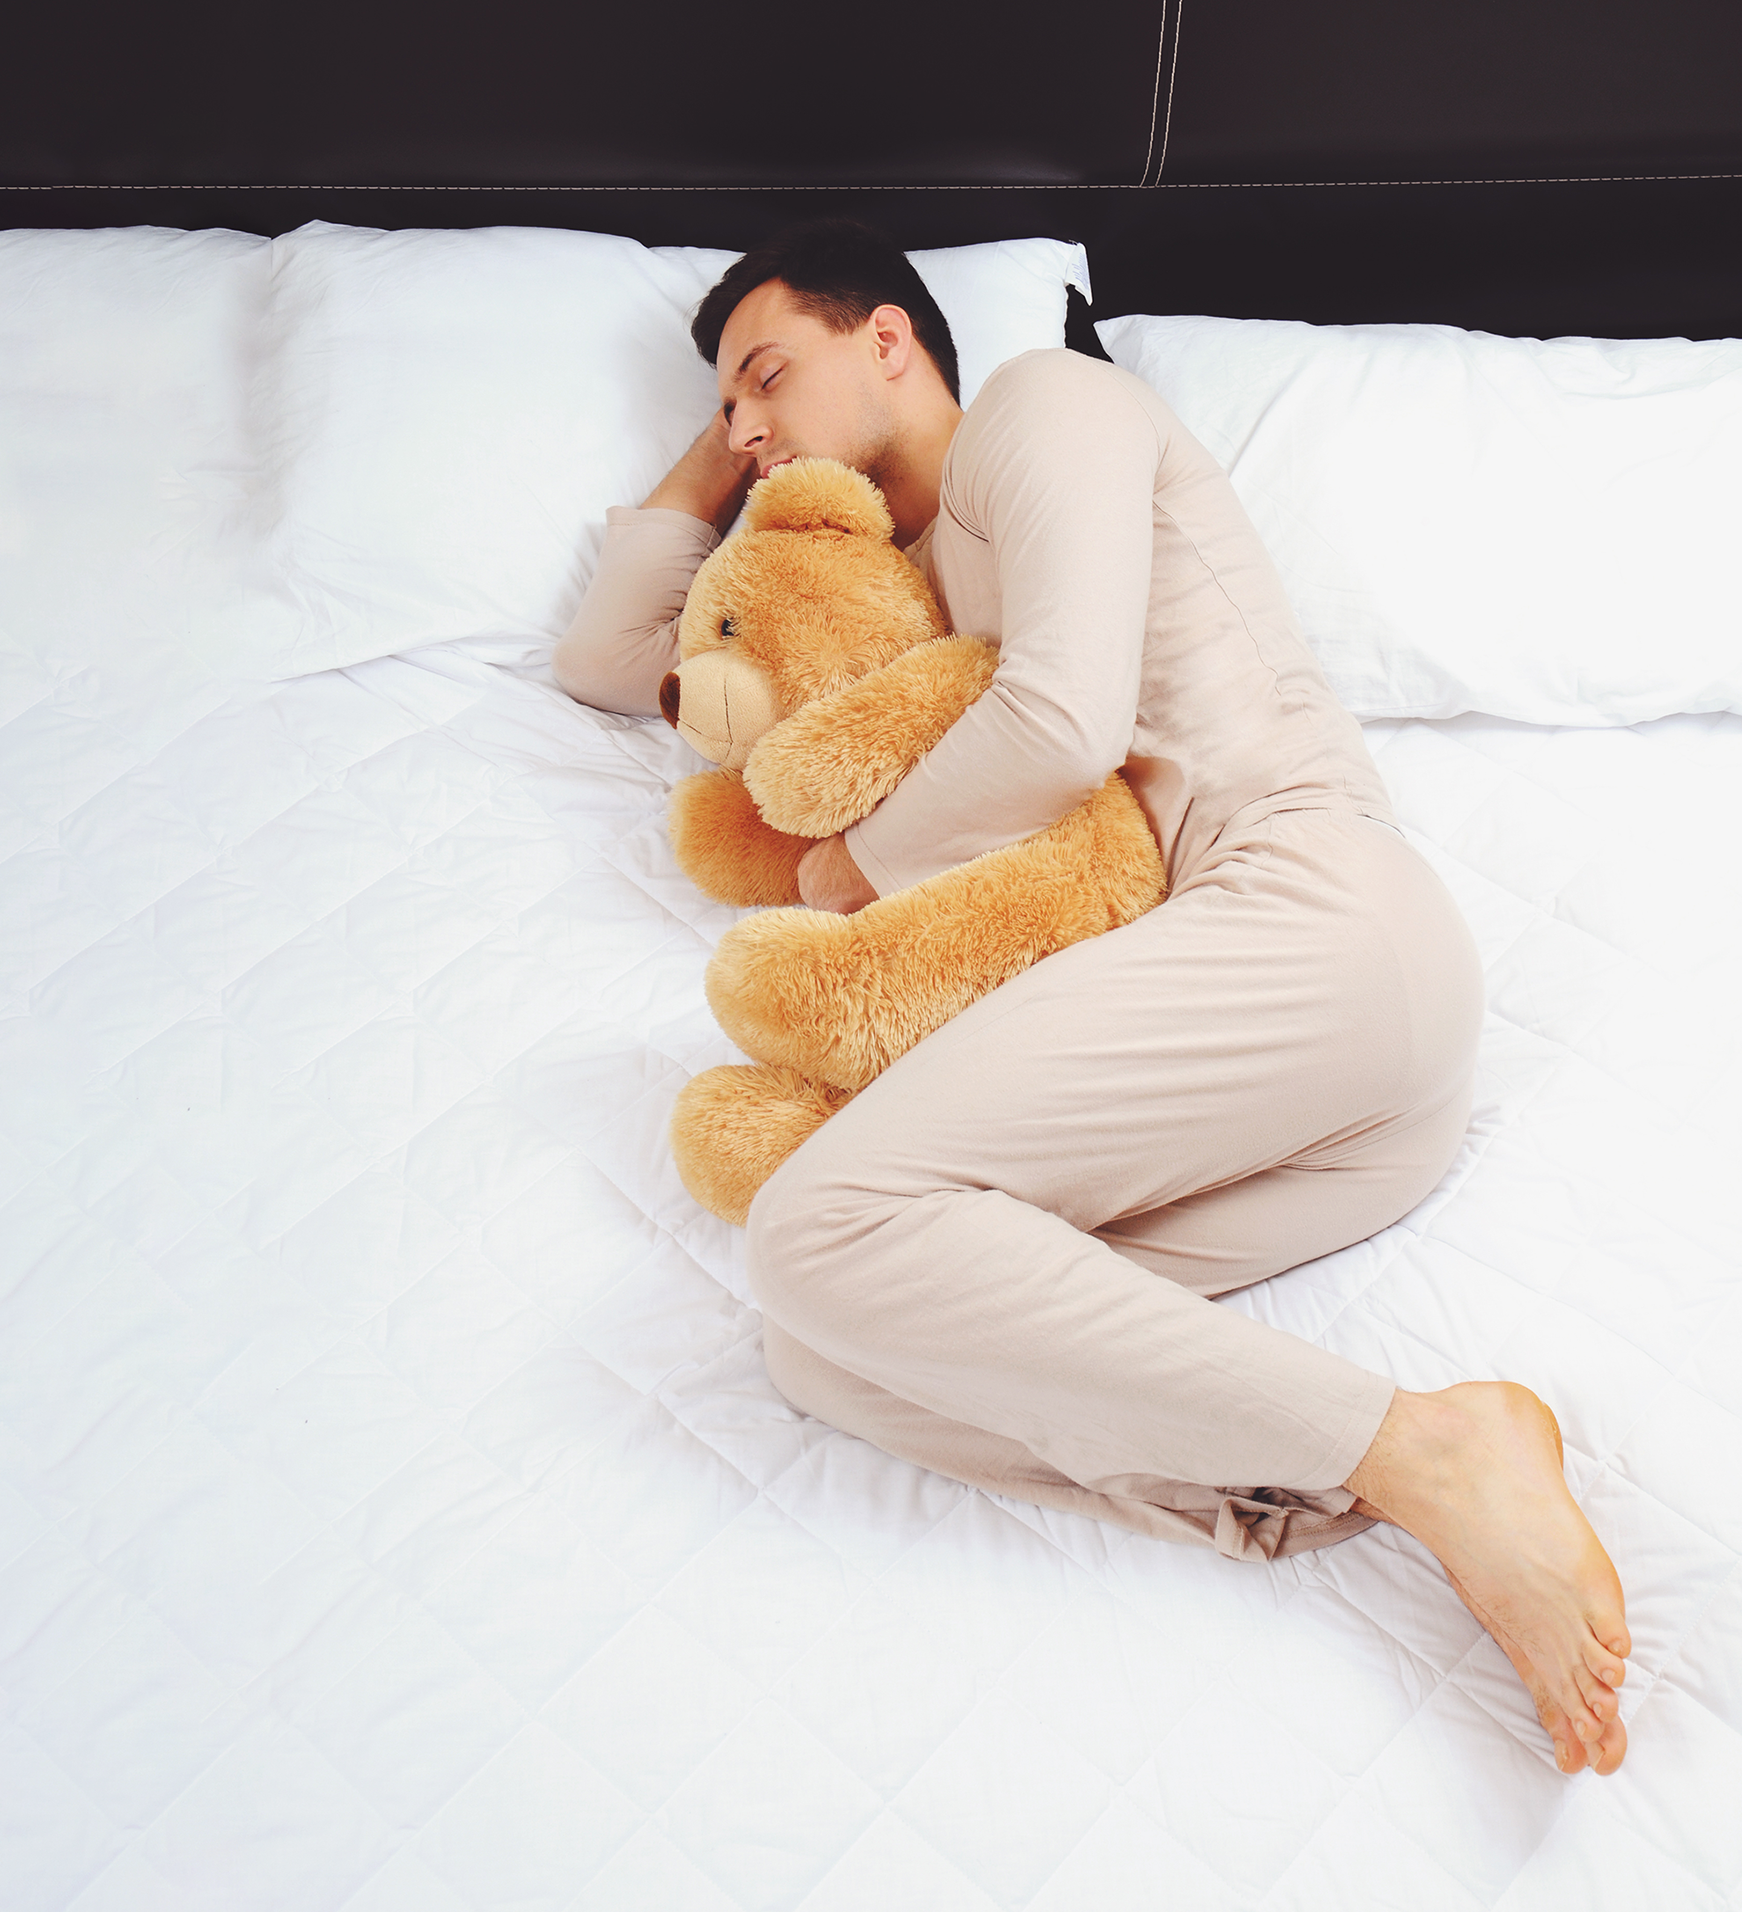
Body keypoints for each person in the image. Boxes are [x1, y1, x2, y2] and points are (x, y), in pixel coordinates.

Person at [554, 220, 1633, 1776]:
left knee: (815, 1227)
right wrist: (728, 462)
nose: (746, 418)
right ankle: (1362, 1476)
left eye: (768, 371)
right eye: (725, 402)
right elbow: (612, 659)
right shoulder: (898, 597)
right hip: (1329, 1115)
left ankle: (1417, 1445)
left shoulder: (1040, 408)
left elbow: (1063, 719)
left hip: (1315, 917)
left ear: (891, 341)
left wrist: (847, 866)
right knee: (825, 1350)